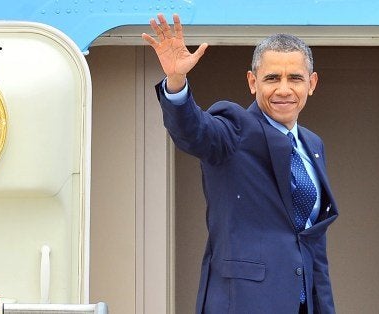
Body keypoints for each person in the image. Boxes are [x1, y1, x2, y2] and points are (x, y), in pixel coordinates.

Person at [142, 13, 339, 314]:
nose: (284, 90)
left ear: (311, 83)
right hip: (244, 303)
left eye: (295, 78)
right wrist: (177, 81)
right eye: (272, 78)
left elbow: (313, 244)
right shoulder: (235, 129)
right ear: (252, 81)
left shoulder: (313, 145)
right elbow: (193, 132)